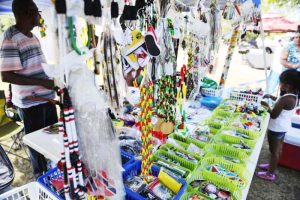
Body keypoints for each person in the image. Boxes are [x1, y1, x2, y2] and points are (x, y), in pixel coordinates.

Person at [0, 0, 58, 179]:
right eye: (37, 11)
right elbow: (6, 76)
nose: (39, 15)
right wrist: (44, 83)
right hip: (31, 105)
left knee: (53, 143)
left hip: (47, 100)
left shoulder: (32, 36)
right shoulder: (11, 37)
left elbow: (36, 67)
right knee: (38, 148)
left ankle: (54, 177)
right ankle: (42, 180)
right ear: (27, 13)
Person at [256, 69, 299, 181]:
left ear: (287, 85)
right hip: (283, 127)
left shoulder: (285, 99)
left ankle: (270, 173)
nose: (280, 84)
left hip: (275, 128)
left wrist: (266, 106)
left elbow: (274, 114)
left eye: (281, 82)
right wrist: (271, 97)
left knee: (273, 151)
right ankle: (271, 165)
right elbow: (280, 101)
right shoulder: (294, 96)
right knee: (278, 150)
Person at [267, 28, 300, 94]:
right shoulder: (289, 46)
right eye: (296, 37)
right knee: (286, 95)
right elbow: (282, 60)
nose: (298, 39)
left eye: (299, 37)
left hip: (298, 78)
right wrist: (293, 66)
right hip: (288, 78)